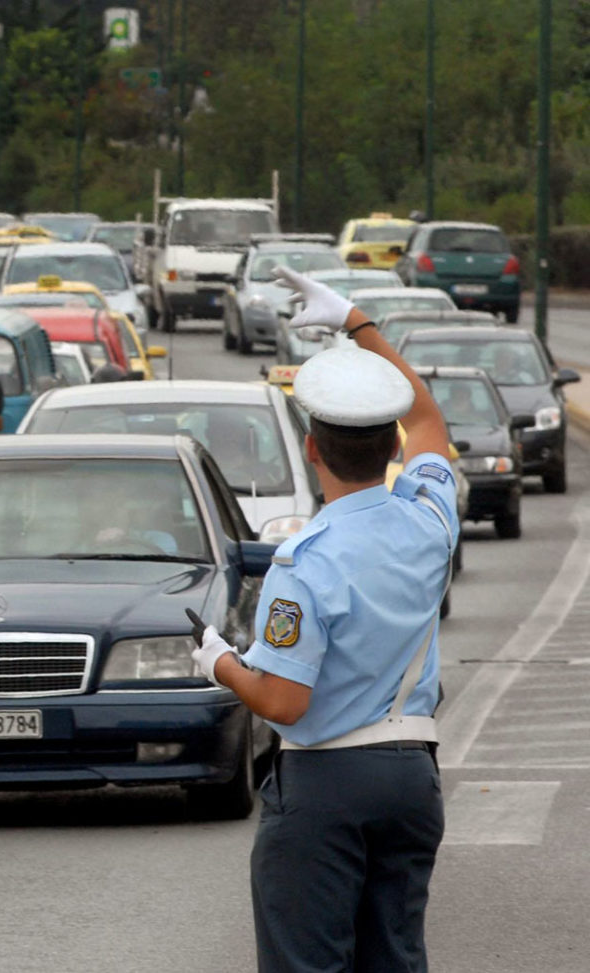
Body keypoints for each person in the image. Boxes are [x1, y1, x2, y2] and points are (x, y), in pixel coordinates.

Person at [189, 266, 459, 972]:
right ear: (394, 448)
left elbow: (283, 699)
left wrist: (219, 660)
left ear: (312, 450)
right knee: (394, 959)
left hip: (327, 784)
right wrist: (356, 321)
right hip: (412, 777)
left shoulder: (303, 561)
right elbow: (429, 416)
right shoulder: (428, 516)